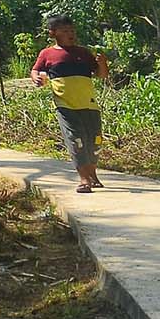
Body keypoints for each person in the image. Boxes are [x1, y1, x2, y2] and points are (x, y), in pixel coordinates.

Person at [31, 14, 109, 192]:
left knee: (95, 141)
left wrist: (103, 63)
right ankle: (84, 180)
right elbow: (36, 71)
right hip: (65, 105)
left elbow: (101, 74)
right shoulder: (47, 53)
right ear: (53, 33)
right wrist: (36, 79)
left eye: (72, 30)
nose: (70, 34)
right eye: (65, 31)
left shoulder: (83, 52)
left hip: (89, 105)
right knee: (77, 140)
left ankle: (92, 173)